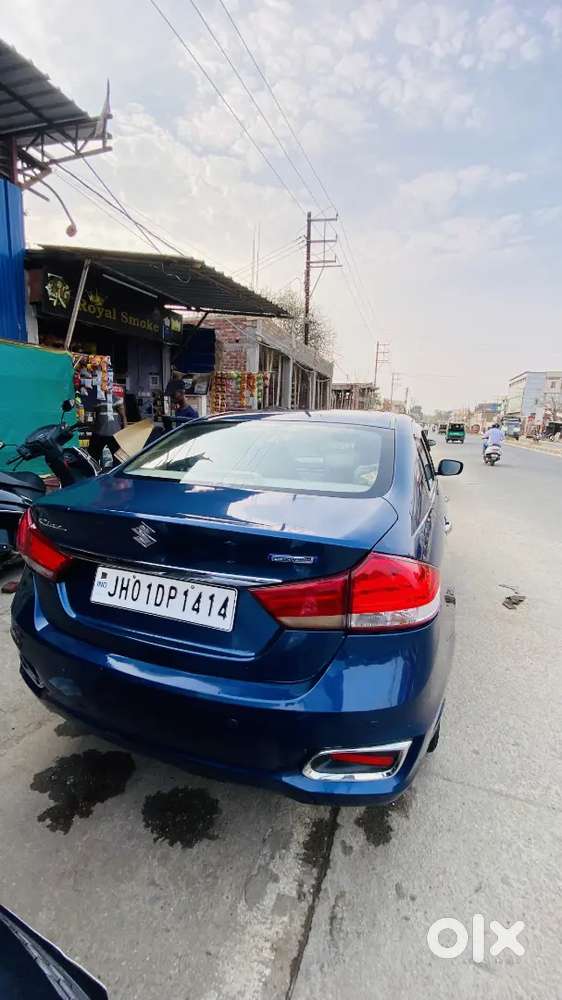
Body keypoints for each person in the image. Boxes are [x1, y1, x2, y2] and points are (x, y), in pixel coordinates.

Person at [89, 387, 127, 467]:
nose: (104, 388)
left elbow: (123, 416)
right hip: (99, 433)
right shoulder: (98, 400)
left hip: (114, 434)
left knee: (118, 458)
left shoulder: (117, 399)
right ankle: (93, 473)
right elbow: (96, 416)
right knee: (93, 456)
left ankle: (117, 475)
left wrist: (125, 432)